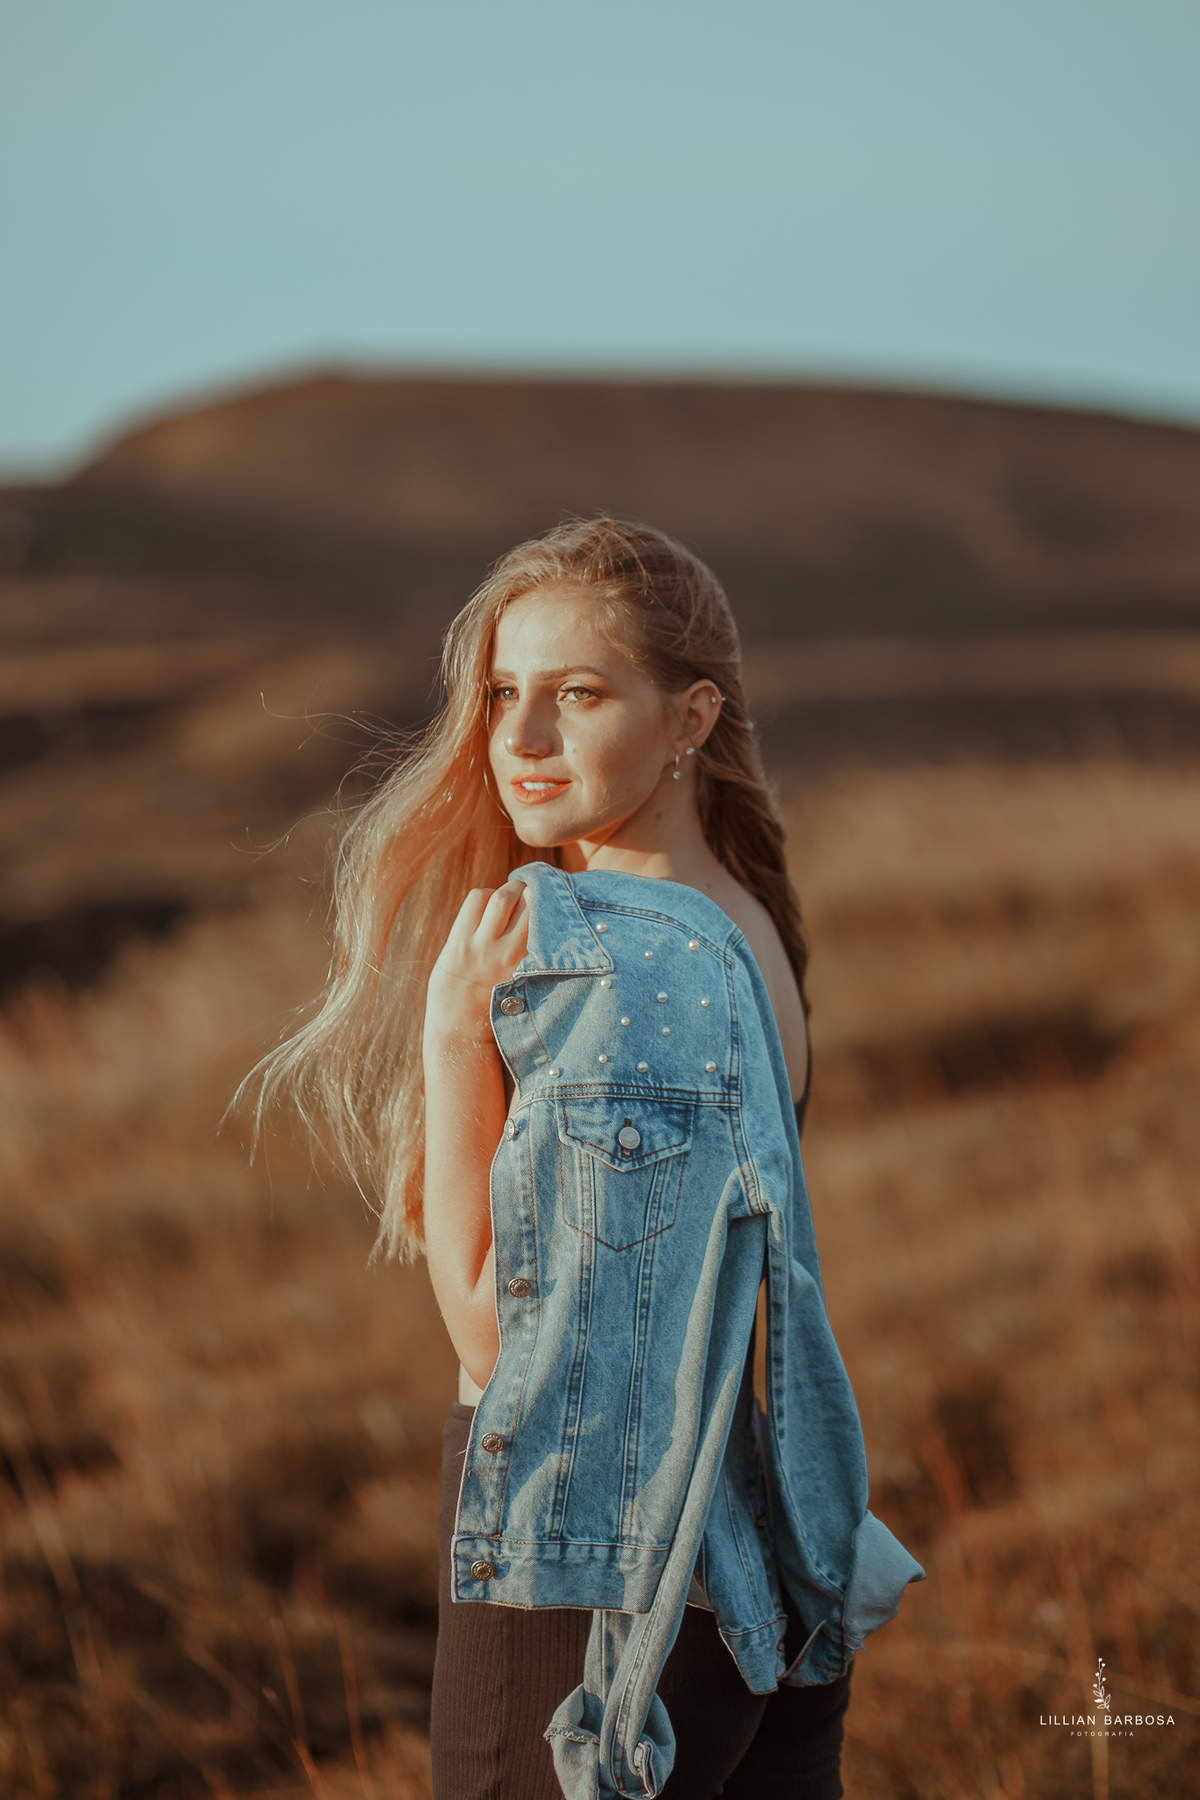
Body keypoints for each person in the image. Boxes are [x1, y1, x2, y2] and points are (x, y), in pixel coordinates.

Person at [254, 518, 923, 1799]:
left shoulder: (625, 968)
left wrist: (456, 1037)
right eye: (501, 692)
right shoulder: (735, 921)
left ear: (690, 719)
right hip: (732, 1539)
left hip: (598, 1569)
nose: (517, 736)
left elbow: (517, 1347)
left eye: (577, 694)